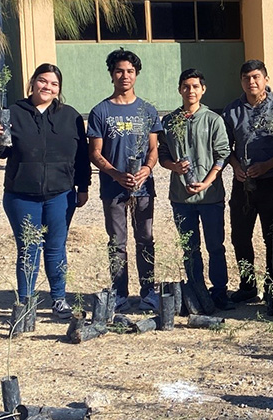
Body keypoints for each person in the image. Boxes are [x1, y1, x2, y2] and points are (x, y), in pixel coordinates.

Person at [0, 63, 90, 318]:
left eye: (54, 83)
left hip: (60, 195)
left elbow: (81, 157)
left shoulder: (70, 116)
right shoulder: (11, 113)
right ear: (33, 82)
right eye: (43, 81)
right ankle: (26, 302)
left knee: (56, 247)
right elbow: (2, 152)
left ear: (59, 89)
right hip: (21, 195)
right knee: (28, 248)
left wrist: (83, 187)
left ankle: (59, 299)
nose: (47, 87)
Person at [88, 48, 162, 312]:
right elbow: (95, 153)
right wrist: (116, 174)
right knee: (117, 241)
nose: (125, 76)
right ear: (111, 74)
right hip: (113, 188)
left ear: (136, 74)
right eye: (119, 71)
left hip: (143, 189)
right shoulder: (101, 111)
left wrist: (147, 169)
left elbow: (154, 149)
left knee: (146, 238)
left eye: (130, 71)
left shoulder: (147, 110)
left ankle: (149, 290)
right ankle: (119, 293)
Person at [222, 60, 273, 303]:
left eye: (256, 77)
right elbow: (224, 146)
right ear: (241, 81)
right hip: (242, 184)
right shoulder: (232, 110)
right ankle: (247, 286)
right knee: (240, 235)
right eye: (246, 78)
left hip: (272, 182)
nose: (251, 82)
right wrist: (236, 167)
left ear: (265, 79)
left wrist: (267, 164)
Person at [159, 69, 233, 311]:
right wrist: (174, 166)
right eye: (186, 86)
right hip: (181, 198)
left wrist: (208, 182)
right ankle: (196, 291)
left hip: (210, 196)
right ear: (180, 89)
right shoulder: (170, 121)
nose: (190, 91)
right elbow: (163, 154)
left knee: (215, 246)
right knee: (189, 248)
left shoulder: (213, 120)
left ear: (203, 89)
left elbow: (222, 155)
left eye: (195, 86)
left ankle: (220, 291)